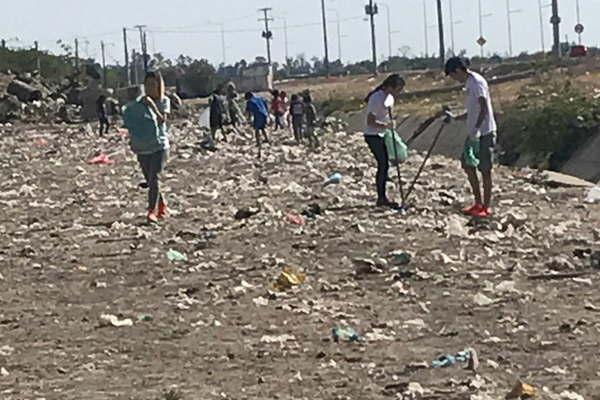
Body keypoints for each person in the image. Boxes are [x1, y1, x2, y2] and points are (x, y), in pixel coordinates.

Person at [445, 57, 497, 218]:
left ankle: (486, 207)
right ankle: (478, 202)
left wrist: (477, 129)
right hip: (473, 133)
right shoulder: (468, 84)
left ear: (458, 71)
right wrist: (455, 117)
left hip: (484, 132)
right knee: (468, 165)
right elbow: (472, 111)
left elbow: (483, 109)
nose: (454, 79)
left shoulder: (477, 83)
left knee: (485, 169)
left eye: (453, 75)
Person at [123, 71, 171, 224]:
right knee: (150, 181)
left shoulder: (164, 101)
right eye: (147, 85)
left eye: (153, 84)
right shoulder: (138, 103)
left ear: (159, 85)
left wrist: (152, 106)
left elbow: (162, 120)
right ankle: (162, 204)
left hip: (160, 146)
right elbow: (133, 124)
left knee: (155, 177)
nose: (150, 88)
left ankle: (151, 211)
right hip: (142, 147)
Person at [364, 74, 406, 207]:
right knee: (383, 164)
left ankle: (383, 195)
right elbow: (370, 121)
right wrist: (385, 126)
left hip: (383, 134)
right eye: (397, 89)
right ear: (389, 87)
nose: (399, 93)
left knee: (387, 163)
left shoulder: (389, 98)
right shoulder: (376, 98)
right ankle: (381, 198)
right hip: (373, 135)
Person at [245, 91, 270, 158]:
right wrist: (268, 114)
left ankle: (258, 142)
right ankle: (266, 139)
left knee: (256, 129)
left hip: (258, 115)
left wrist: (248, 119)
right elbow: (266, 105)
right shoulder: (260, 98)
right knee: (262, 127)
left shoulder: (250, 102)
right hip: (264, 114)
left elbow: (248, 111)